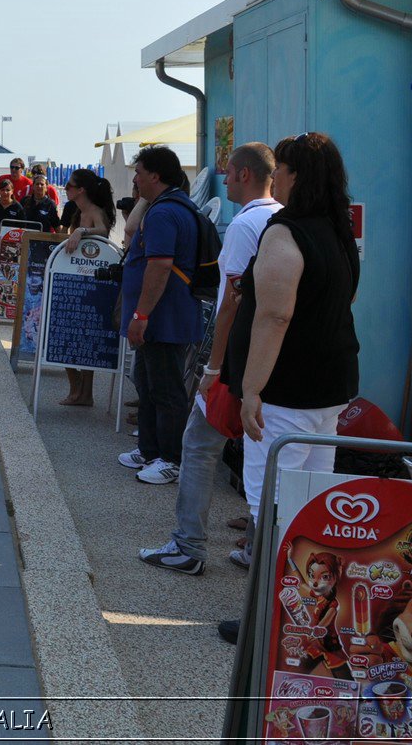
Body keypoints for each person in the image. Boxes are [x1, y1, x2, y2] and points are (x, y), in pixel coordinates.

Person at [216, 133, 360, 641]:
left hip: (288, 393)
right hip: (329, 388)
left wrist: (251, 389)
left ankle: (268, 624)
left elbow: (275, 316)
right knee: (311, 509)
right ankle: (307, 619)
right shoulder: (336, 231)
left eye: (282, 170)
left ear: (296, 176)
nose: (274, 176)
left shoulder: (288, 232)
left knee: (273, 510)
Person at [137, 143, 280, 574]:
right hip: (269, 359)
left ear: (245, 175)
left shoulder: (244, 224)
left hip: (236, 360)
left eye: (230, 172)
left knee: (199, 445)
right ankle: (258, 549)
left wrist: (213, 368)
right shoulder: (281, 219)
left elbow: (231, 300)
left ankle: (189, 547)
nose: (225, 177)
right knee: (264, 458)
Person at [116, 146, 201, 486]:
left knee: (166, 390)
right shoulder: (162, 207)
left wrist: (141, 314)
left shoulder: (165, 213)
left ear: (154, 175)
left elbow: (161, 266)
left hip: (163, 317)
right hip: (157, 317)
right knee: (149, 384)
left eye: (138, 172)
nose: (134, 179)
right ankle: (150, 450)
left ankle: (171, 459)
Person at [56, 168, 119, 407]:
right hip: (75, 278)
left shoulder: (94, 212)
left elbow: (102, 231)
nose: (66, 188)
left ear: (81, 190)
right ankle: (77, 389)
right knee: (68, 334)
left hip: (93, 280)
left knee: (87, 338)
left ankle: (83, 392)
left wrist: (82, 231)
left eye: (70, 186)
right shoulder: (75, 211)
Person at [20, 167, 61, 232]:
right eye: (37, 184)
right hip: (25, 238)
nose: (39, 186)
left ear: (46, 188)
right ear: (33, 186)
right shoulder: (25, 201)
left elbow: (57, 227)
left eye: (42, 184)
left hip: (42, 239)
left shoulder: (50, 204)